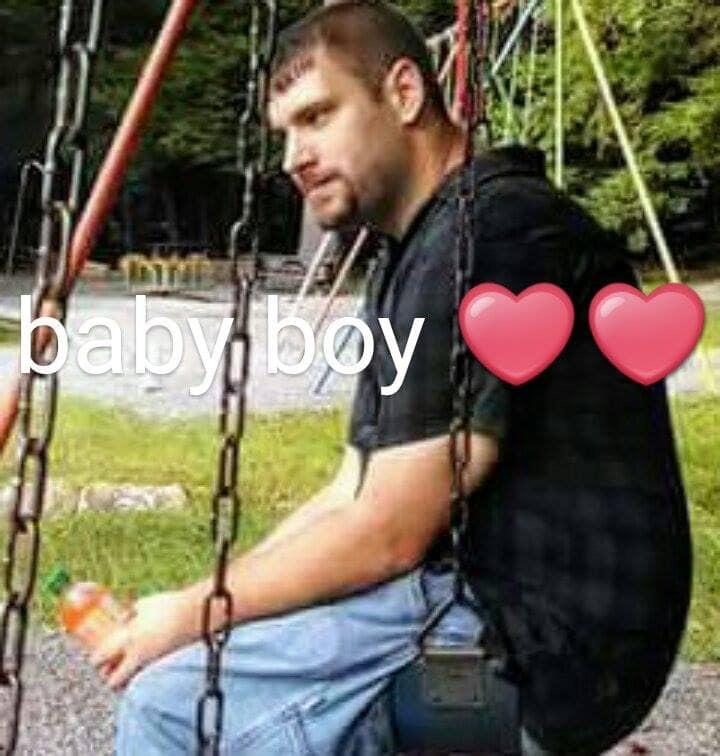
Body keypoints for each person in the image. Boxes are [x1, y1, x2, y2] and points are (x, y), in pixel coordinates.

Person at [96, 2, 691, 753]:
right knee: (211, 656)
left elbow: (389, 532)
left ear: (404, 93)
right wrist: (209, 605)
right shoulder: (415, 252)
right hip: (489, 608)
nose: (293, 156)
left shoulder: (492, 235)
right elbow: (353, 488)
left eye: (317, 116)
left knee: (172, 708)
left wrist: (192, 616)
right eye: (285, 132)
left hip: (541, 649)